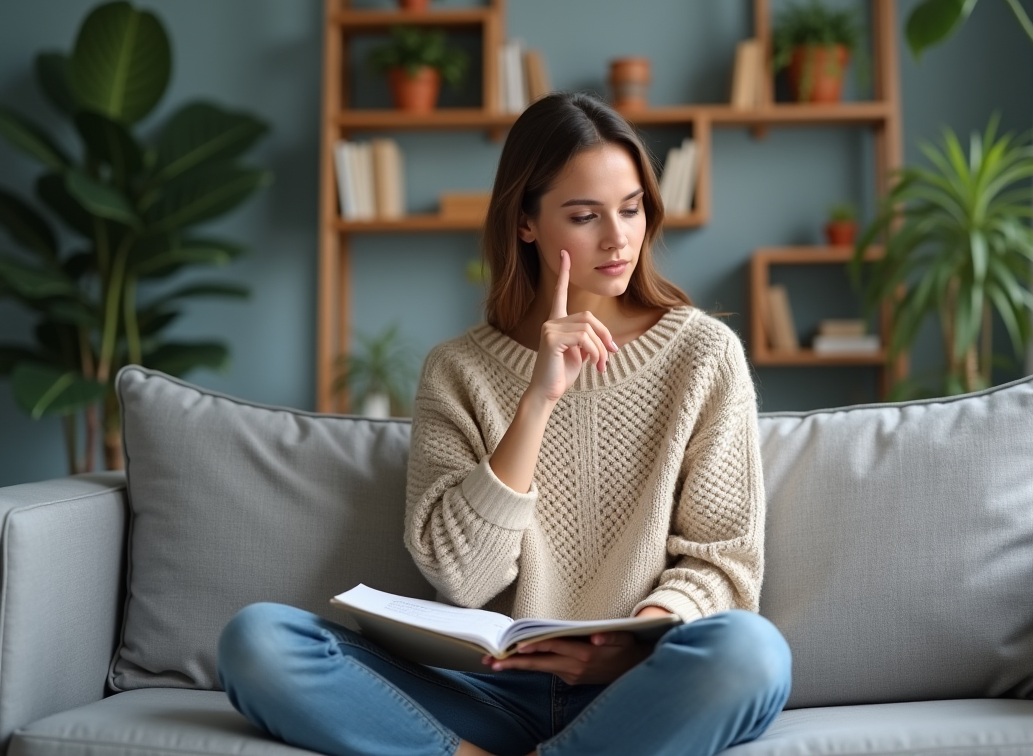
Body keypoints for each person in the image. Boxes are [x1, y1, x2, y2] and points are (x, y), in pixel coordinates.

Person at [217, 92, 791, 756]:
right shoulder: (456, 370)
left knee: (752, 653)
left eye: (631, 209)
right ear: (526, 222)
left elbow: (724, 561)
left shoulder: (702, 354)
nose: (618, 238)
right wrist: (538, 400)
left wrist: (626, 649)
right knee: (257, 641)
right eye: (585, 216)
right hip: (483, 689)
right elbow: (462, 577)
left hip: (637, 688)